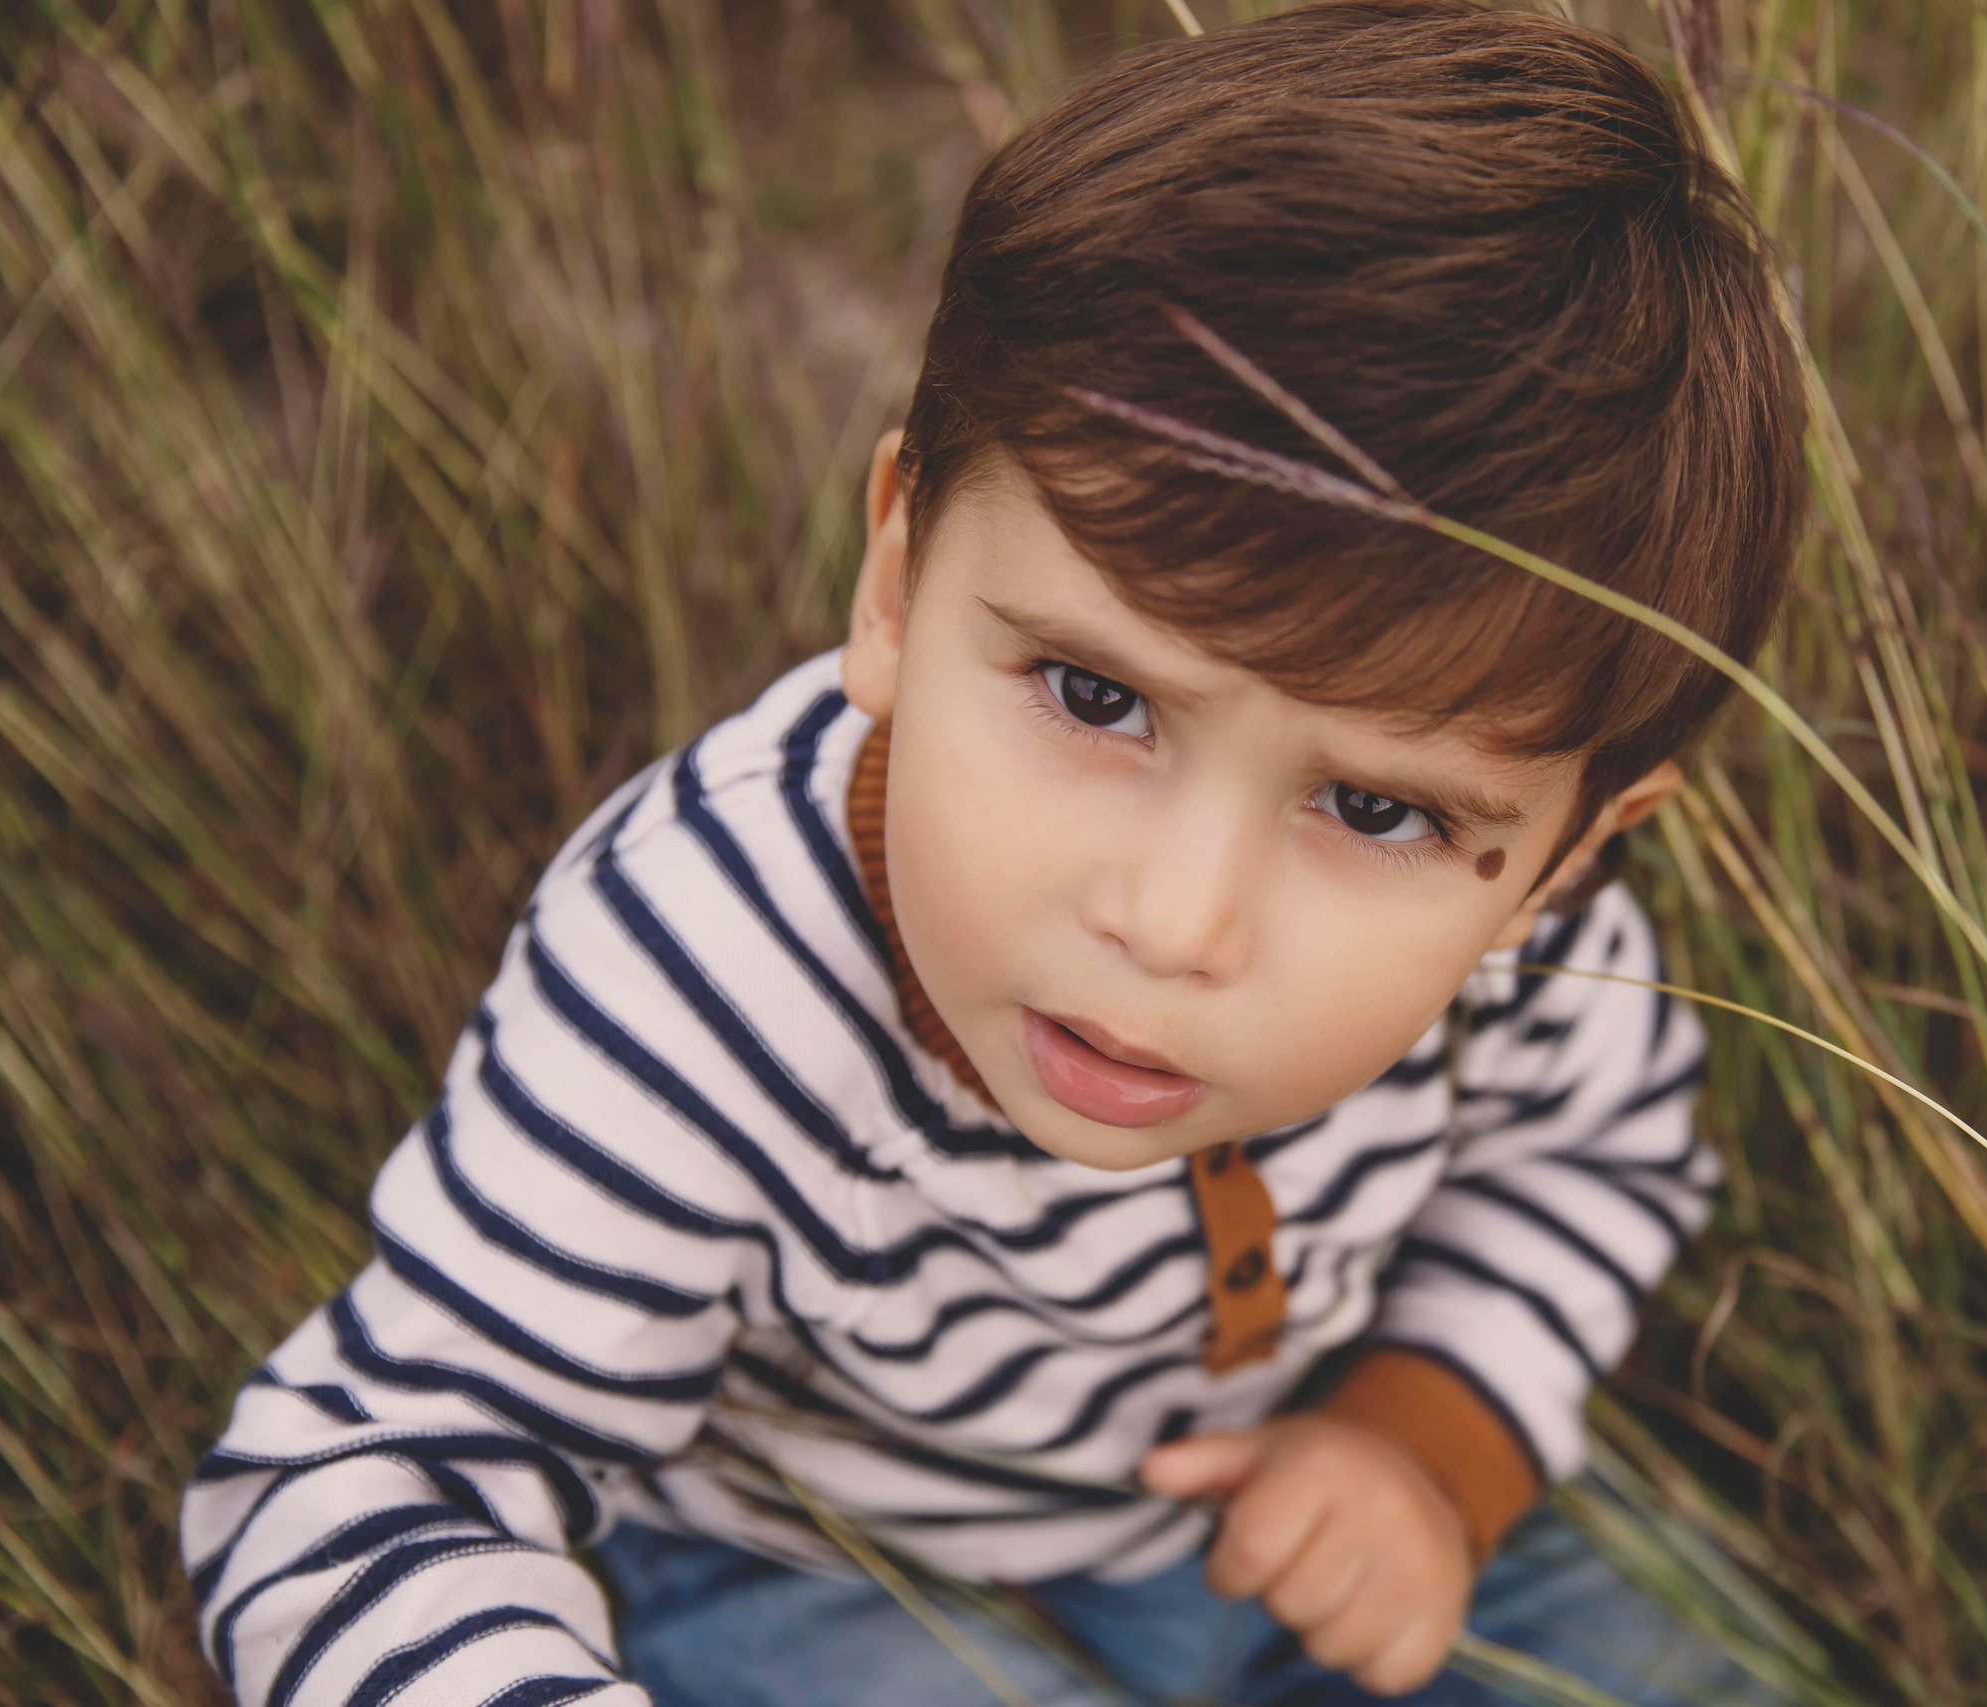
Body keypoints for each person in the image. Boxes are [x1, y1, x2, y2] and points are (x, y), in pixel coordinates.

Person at [180, 3, 1804, 1703]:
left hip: (1317, 1473)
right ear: (895, 579)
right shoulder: (707, 965)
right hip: (822, 1556)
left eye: (1378, 809)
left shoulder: (1534, 953)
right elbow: (369, 1477)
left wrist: (1432, 1440)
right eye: (1096, 694)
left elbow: (1596, 1159)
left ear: (1560, 863)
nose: (1175, 923)